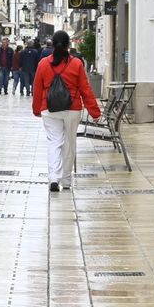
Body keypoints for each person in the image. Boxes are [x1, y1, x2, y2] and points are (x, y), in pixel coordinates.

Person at [32, 30, 100, 193]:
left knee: (54, 143)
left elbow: (37, 88)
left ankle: (53, 178)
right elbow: (85, 89)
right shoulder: (76, 64)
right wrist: (94, 111)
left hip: (50, 109)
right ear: (68, 46)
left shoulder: (43, 63)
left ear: (53, 45)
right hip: (72, 108)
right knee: (69, 143)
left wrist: (36, 109)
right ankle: (67, 180)